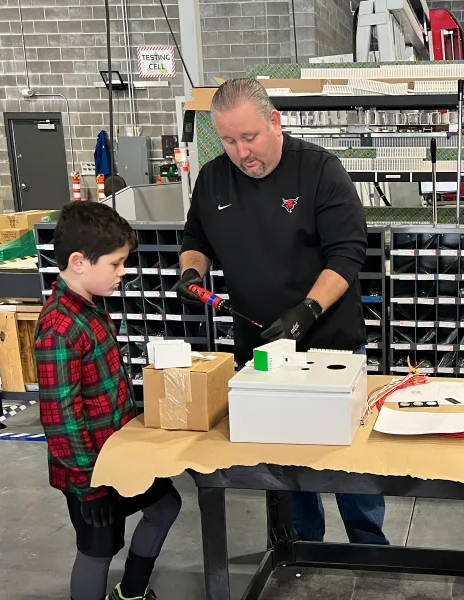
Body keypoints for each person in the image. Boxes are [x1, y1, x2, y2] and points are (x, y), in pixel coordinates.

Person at [175, 78, 388, 545]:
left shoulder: (318, 171)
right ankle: (299, 549)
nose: (241, 152)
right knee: (284, 458)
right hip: (261, 349)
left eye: (249, 137)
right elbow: (196, 240)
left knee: (346, 454)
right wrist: (192, 273)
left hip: (328, 341)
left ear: (275, 121)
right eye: (229, 140)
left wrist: (307, 311)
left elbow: (348, 253)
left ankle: (369, 547)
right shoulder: (213, 179)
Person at [35, 202, 182, 600]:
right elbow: (60, 419)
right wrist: (89, 486)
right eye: (116, 264)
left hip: (119, 456)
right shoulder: (59, 328)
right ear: (80, 262)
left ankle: (130, 593)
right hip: (90, 472)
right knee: (97, 551)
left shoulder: (89, 310)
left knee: (165, 506)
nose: (122, 273)